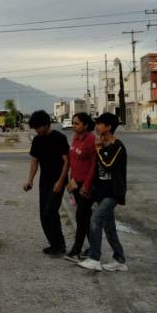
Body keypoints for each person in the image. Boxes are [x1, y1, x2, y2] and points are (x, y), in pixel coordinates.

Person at [79, 112, 128, 272]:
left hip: (113, 193)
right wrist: (90, 188)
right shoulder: (103, 146)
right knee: (109, 228)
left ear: (108, 127)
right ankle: (120, 260)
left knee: (95, 220)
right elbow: (99, 172)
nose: (97, 127)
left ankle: (94, 258)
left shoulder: (117, 147)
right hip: (102, 192)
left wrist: (99, 149)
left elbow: (108, 165)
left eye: (100, 124)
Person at [23, 110, 70, 255]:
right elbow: (34, 161)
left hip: (58, 180)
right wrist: (30, 180)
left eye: (38, 127)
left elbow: (67, 161)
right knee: (43, 213)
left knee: (51, 211)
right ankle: (54, 244)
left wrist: (61, 182)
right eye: (35, 128)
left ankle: (60, 245)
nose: (36, 130)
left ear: (46, 124)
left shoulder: (59, 137)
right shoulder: (37, 140)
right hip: (45, 180)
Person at [65, 112, 96, 263]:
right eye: (73, 123)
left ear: (86, 125)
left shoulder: (91, 140)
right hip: (75, 184)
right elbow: (73, 160)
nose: (73, 125)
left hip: (86, 186)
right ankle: (94, 248)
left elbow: (94, 165)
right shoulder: (75, 138)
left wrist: (87, 185)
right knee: (85, 217)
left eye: (77, 123)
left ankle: (76, 250)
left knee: (81, 216)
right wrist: (71, 181)